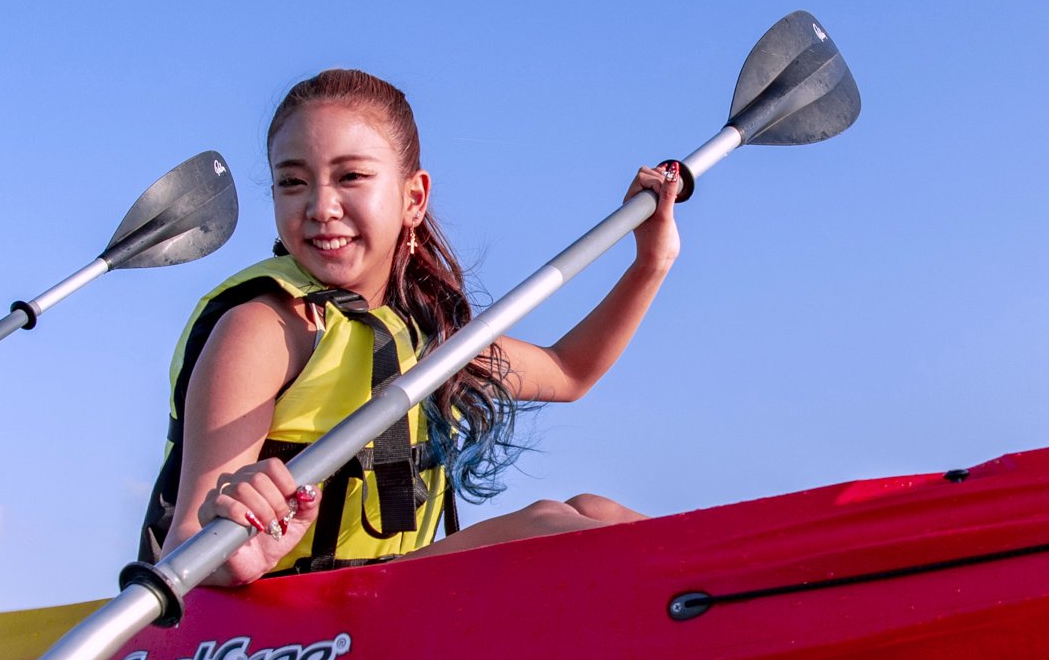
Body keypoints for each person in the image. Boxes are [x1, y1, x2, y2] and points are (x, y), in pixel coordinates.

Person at [148, 66, 683, 587]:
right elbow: (184, 545)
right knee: (549, 524)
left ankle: (724, 600)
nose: (320, 206)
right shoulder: (265, 327)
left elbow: (569, 372)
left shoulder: (419, 335)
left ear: (414, 198)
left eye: (350, 176)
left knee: (594, 510)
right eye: (292, 181)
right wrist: (237, 554)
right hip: (277, 630)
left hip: (384, 605)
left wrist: (650, 263)